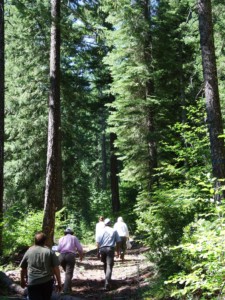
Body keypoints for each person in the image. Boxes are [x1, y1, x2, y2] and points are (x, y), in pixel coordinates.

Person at [20, 231, 62, 300]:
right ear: (45, 241)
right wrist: (59, 283)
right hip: (47, 282)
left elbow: (23, 268)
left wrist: (22, 280)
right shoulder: (49, 252)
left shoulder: (29, 251)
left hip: (33, 282)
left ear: (35, 241)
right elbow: (56, 268)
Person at [96, 218, 121, 290]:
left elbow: (97, 243)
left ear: (105, 224)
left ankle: (107, 279)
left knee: (105, 264)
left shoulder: (100, 231)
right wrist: (117, 251)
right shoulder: (114, 230)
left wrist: (98, 252)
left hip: (102, 249)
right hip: (110, 249)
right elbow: (118, 241)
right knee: (109, 266)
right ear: (110, 224)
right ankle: (107, 282)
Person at [57, 227, 83, 294]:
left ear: (65, 233)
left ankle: (69, 288)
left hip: (61, 256)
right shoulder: (74, 238)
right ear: (72, 233)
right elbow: (79, 248)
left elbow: (58, 249)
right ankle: (65, 290)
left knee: (67, 273)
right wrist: (81, 256)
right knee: (68, 274)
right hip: (70, 256)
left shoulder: (61, 238)